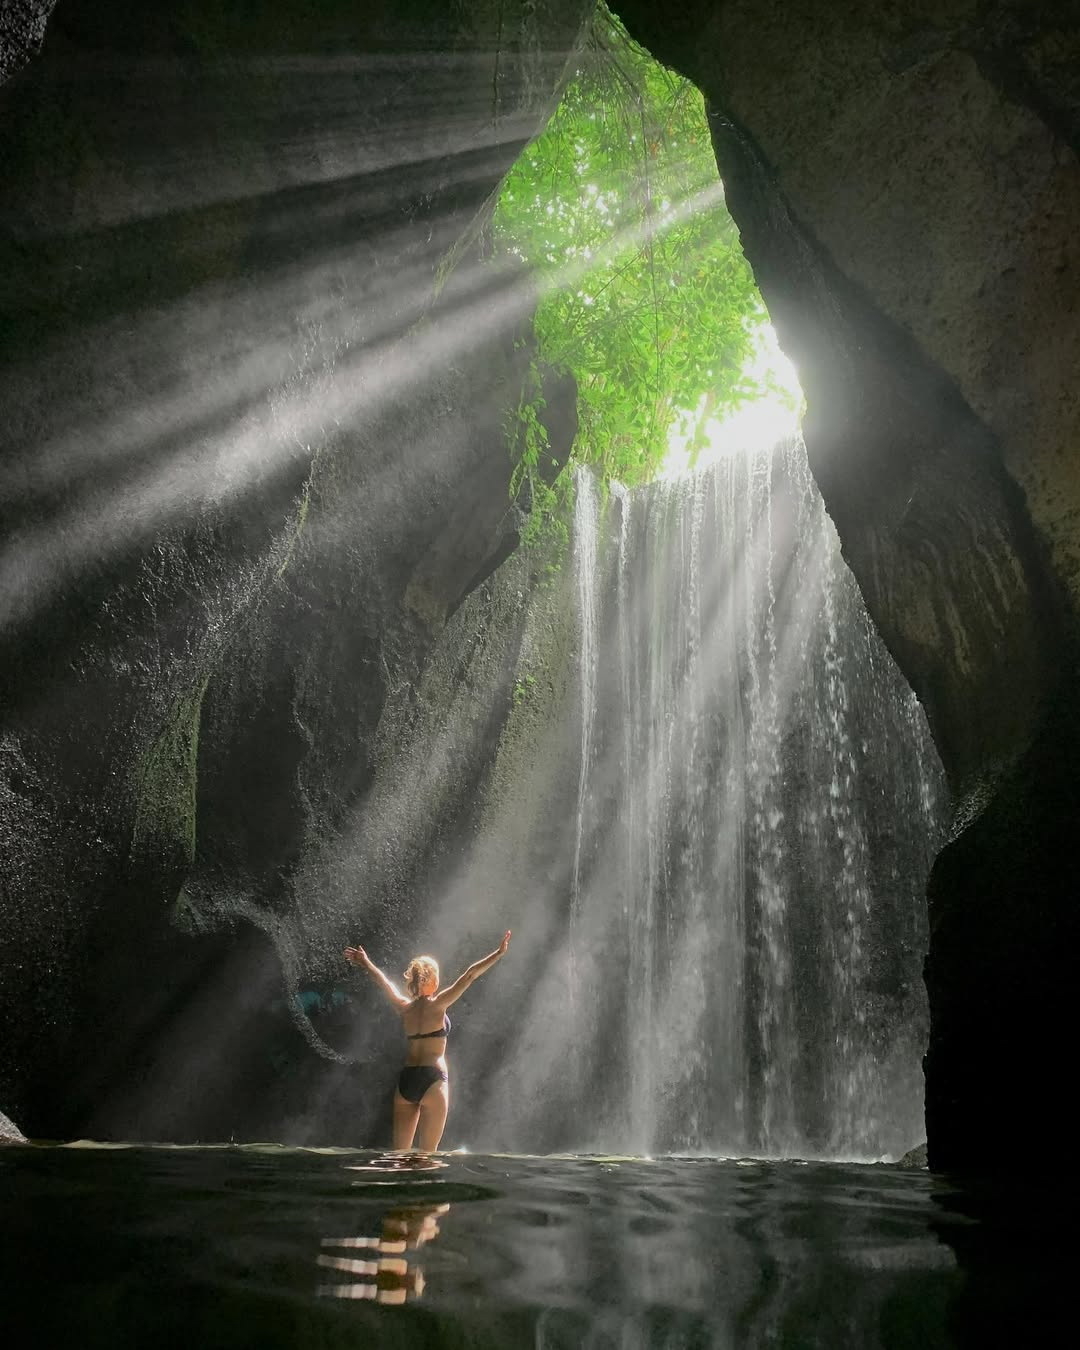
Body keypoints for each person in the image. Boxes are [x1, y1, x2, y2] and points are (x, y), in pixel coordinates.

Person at [344, 930, 511, 1154]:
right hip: (433, 1080)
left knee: (399, 1156)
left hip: (407, 1080)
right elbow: (470, 975)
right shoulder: (439, 1004)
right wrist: (499, 953)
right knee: (427, 1158)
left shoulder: (404, 1008)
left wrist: (366, 962)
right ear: (432, 980)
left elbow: (382, 982)